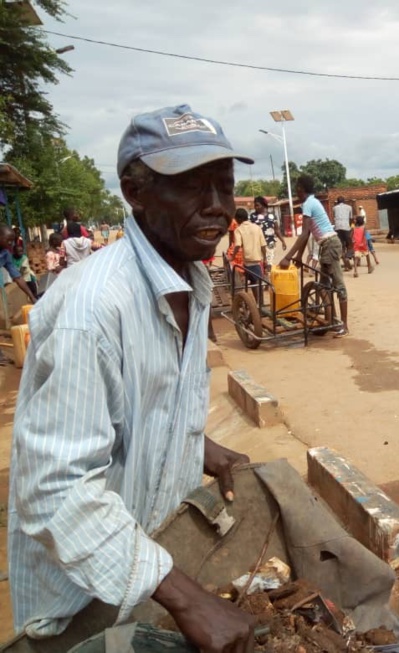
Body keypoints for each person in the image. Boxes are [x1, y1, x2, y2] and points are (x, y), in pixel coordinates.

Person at [7, 104, 257, 653]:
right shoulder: (92, 309)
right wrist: (188, 599)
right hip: (82, 601)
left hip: (147, 566)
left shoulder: (192, 280)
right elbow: (54, 489)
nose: (217, 206)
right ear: (135, 192)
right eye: (193, 187)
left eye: (224, 185)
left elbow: (146, 403)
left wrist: (201, 446)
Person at [279, 175, 348, 338]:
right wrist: (299, 256)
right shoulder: (310, 203)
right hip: (326, 245)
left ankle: (344, 325)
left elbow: (303, 234)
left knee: (338, 285)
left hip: (330, 244)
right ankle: (332, 319)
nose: (296, 190)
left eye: (296, 187)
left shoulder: (309, 204)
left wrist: (288, 257)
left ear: (301, 188)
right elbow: (308, 232)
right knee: (324, 286)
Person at [233, 207, 267, 304]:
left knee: (250, 284)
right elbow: (263, 245)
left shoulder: (238, 230)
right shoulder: (257, 228)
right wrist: (265, 259)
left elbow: (238, 245)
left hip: (248, 263)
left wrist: (232, 257)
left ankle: (256, 305)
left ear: (238, 219)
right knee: (256, 283)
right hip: (257, 261)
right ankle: (259, 304)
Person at [0, 224, 37, 304]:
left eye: (12, 240)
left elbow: (18, 277)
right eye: (8, 240)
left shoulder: (6, 255)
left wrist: (32, 297)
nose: (10, 243)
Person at [250, 196, 286, 273]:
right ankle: (261, 280)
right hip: (257, 244)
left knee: (269, 264)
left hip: (270, 243)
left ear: (263, 205)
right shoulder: (252, 216)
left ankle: (268, 281)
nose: (255, 207)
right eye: (255, 205)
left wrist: (283, 241)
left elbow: (277, 230)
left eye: (257, 205)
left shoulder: (272, 216)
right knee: (259, 263)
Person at [332, 196, 353, 271]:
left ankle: (346, 265)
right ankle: (348, 257)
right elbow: (351, 219)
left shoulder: (334, 208)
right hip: (346, 227)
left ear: (337, 202)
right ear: (344, 201)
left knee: (341, 247)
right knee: (350, 245)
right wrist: (350, 228)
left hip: (337, 228)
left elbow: (334, 218)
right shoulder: (349, 207)